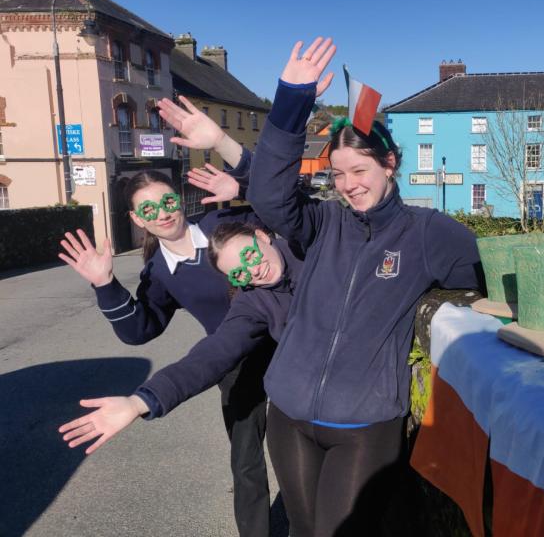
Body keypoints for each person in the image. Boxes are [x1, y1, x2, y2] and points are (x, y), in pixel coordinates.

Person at [241, 37, 483, 536]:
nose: (348, 184)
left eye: (360, 170)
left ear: (390, 165)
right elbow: (266, 196)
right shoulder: (323, 222)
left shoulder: (429, 232)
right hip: (289, 415)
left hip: (365, 427)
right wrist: (291, 97)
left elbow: (489, 282)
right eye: (338, 174)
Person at [58, 159, 273, 537]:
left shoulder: (225, 224)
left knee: (299, 450)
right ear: (137, 220)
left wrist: (243, 186)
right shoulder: (159, 271)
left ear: (180, 199)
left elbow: (285, 209)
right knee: (245, 462)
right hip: (231, 360)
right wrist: (105, 284)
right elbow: (141, 329)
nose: (163, 214)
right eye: (149, 210)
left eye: (168, 202)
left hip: (288, 345)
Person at [59, 222, 301, 460]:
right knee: (250, 453)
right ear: (137, 218)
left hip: (322, 389)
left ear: (262, 236)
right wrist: (140, 401)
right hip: (261, 373)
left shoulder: (314, 253)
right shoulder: (250, 300)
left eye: (250, 255)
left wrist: (241, 184)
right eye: (239, 273)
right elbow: (213, 352)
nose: (254, 270)